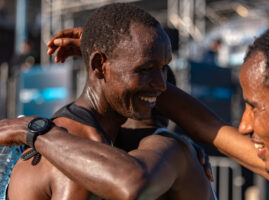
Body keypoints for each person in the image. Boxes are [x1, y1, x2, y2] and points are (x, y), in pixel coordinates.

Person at [5, 3, 214, 200]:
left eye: (164, 68)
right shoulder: (79, 157)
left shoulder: (85, 140)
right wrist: (176, 151)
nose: (162, 85)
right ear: (99, 64)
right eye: (146, 69)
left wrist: (178, 150)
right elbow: (132, 181)